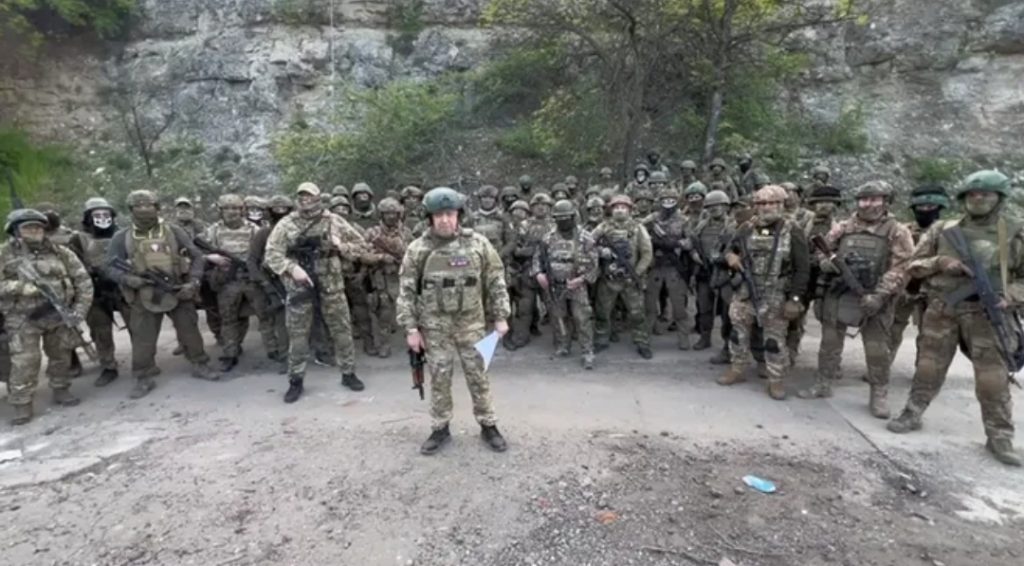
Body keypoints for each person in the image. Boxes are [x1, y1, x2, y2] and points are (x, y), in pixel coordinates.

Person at [888, 170, 1024, 466]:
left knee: (993, 380)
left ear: (999, 198)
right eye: (972, 195)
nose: (978, 199)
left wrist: (1010, 296)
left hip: (989, 315)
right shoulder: (942, 230)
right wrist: (941, 262)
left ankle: (999, 436)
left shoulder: (1015, 232)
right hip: (943, 310)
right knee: (928, 367)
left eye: (986, 195)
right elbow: (912, 266)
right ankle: (912, 412)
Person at [396, 187, 512, 455]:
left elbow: (495, 280)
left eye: (449, 214)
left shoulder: (478, 244)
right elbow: (406, 292)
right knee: (439, 377)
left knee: (478, 375)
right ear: (430, 218)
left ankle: (488, 425)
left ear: (459, 215)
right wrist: (411, 329)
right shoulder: (418, 249)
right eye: (438, 215)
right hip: (435, 325)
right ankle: (440, 428)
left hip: (471, 323)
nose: (445, 220)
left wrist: (501, 316)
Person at [799, 181, 914, 418]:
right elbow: (821, 251)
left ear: (886, 202)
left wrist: (880, 295)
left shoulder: (897, 231)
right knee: (829, 343)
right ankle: (823, 383)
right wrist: (826, 263)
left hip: (875, 297)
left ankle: (879, 394)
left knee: (877, 350)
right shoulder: (843, 227)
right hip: (840, 294)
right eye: (863, 200)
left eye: (874, 200)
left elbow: (902, 267)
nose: (868, 205)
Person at [264, 182, 374, 403]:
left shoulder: (333, 220)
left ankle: (348, 373)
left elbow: (362, 247)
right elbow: (271, 254)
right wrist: (291, 268)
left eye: (309, 196)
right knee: (298, 335)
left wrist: (339, 245)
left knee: (341, 330)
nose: (305, 200)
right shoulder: (287, 224)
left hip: (331, 283)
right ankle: (296, 380)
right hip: (300, 285)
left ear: (318, 198)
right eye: (301, 196)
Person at [105, 190, 221, 397]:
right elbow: (110, 268)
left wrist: (193, 283)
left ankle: (200, 363)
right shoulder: (122, 237)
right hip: (143, 294)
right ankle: (143, 376)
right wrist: (130, 280)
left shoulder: (173, 231)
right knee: (143, 338)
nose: (144, 209)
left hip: (176, 289)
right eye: (138, 206)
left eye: (148, 205)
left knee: (190, 331)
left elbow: (197, 257)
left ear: (157, 207)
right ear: (131, 210)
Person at [717, 185, 810, 400]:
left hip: (776, 294)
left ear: (781, 205)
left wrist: (795, 299)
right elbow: (729, 250)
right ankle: (737, 368)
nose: (766, 207)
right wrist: (731, 257)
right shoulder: (746, 228)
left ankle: (775, 379)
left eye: (771, 203)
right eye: (761, 203)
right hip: (745, 292)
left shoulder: (793, 230)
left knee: (774, 340)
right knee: (737, 333)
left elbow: (802, 269)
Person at [1, 209, 93, 425]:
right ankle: (22, 404)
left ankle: (61, 389)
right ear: (15, 231)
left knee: (61, 354)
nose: (34, 231)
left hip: (57, 314)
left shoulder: (61, 253)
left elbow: (83, 282)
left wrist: (78, 312)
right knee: (25, 361)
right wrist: (20, 288)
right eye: (27, 227)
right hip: (22, 318)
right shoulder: (4, 254)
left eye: (38, 227)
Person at [202, 194, 271, 372]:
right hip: (227, 281)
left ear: (242, 210)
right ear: (221, 211)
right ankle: (230, 353)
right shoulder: (213, 230)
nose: (231, 212)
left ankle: (274, 350)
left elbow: (266, 251)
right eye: (227, 208)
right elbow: (197, 250)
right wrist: (211, 257)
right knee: (228, 319)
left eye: (235, 208)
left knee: (265, 315)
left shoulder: (253, 229)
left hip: (251, 279)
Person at [68, 197, 128, 386]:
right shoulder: (78, 238)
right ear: (88, 217)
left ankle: (144, 364)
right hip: (95, 291)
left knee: (138, 326)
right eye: (97, 215)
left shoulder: (123, 234)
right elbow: (73, 264)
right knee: (100, 331)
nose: (102, 218)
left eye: (106, 214)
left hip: (122, 287)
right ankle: (108, 366)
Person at [533, 200, 599, 369]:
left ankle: (587, 351)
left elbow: (595, 264)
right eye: (559, 218)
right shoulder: (548, 237)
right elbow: (537, 258)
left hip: (577, 284)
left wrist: (582, 279)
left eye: (566, 218)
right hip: (555, 285)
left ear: (573, 217)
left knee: (582, 318)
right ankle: (564, 345)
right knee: (559, 317)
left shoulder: (585, 237)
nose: (563, 221)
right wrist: (539, 274)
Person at [591, 195, 654, 358]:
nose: (620, 210)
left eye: (623, 207)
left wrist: (637, 273)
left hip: (630, 279)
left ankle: (642, 342)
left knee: (637, 314)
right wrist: (600, 252)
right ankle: (601, 340)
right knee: (602, 312)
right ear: (611, 210)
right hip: (608, 278)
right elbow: (588, 245)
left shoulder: (638, 228)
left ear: (630, 210)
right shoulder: (603, 227)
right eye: (616, 207)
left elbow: (647, 253)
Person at [643, 184, 697, 350]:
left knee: (679, 305)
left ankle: (683, 337)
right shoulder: (652, 219)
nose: (668, 202)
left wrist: (674, 243)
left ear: (677, 201)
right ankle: (644, 337)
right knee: (650, 304)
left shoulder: (684, 220)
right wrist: (652, 242)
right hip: (655, 266)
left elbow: (690, 242)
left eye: (671, 200)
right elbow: (638, 232)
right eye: (664, 200)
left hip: (674, 267)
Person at [363, 197, 411, 358]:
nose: (391, 216)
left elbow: (415, 252)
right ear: (381, 214)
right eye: (387, 213)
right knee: (383, 313)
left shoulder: (405, 232)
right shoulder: (372, 233)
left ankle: (414, 343)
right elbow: (362, 254)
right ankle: (384, 345)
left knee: (409, 311)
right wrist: (381, 257)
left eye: (394, 213)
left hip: (402, 276)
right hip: (381, 276)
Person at [248, 195, 293, 365]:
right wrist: (264, 283)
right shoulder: (264, 233)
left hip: (285, 281)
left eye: (284, 210)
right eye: (277, 211)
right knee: (265, 319)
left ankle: (285, 354)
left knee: (283, 320)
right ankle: (272, 350)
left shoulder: (293, 233)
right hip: (264, 282)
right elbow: (252, 261)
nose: (280, 214)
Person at [693, 190, 737, 356]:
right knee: (704, 307)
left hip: (725, 274)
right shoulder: (702, 225)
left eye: (718, 205)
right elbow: (692, 242)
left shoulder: (733, 226)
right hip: (704, 272)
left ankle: (727, 345)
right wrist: (694, 255)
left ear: (726, 206)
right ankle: (705, 337)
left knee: (727, 311)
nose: (714, 209)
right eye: (711, 206)